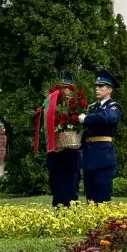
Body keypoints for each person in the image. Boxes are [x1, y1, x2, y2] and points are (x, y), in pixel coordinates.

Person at [78, 70, 122, 203]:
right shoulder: (93, 107)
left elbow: (109, 117)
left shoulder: (114, 107)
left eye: (100, 86)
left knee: (102, 197)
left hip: (104, 157)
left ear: (109, 89)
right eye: (96, 86)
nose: (97, 89)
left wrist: (87, 119)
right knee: (90, 198)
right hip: (90, 156)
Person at [46, 71, 81, 207]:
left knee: (71, 186)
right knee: (57, 186)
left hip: (71, 151)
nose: (65, 91)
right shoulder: (51, 106)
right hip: (55, 151)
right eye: (63, 88)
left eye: (68, 88)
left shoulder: (77, 106)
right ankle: (58, 215)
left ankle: (71, 217)